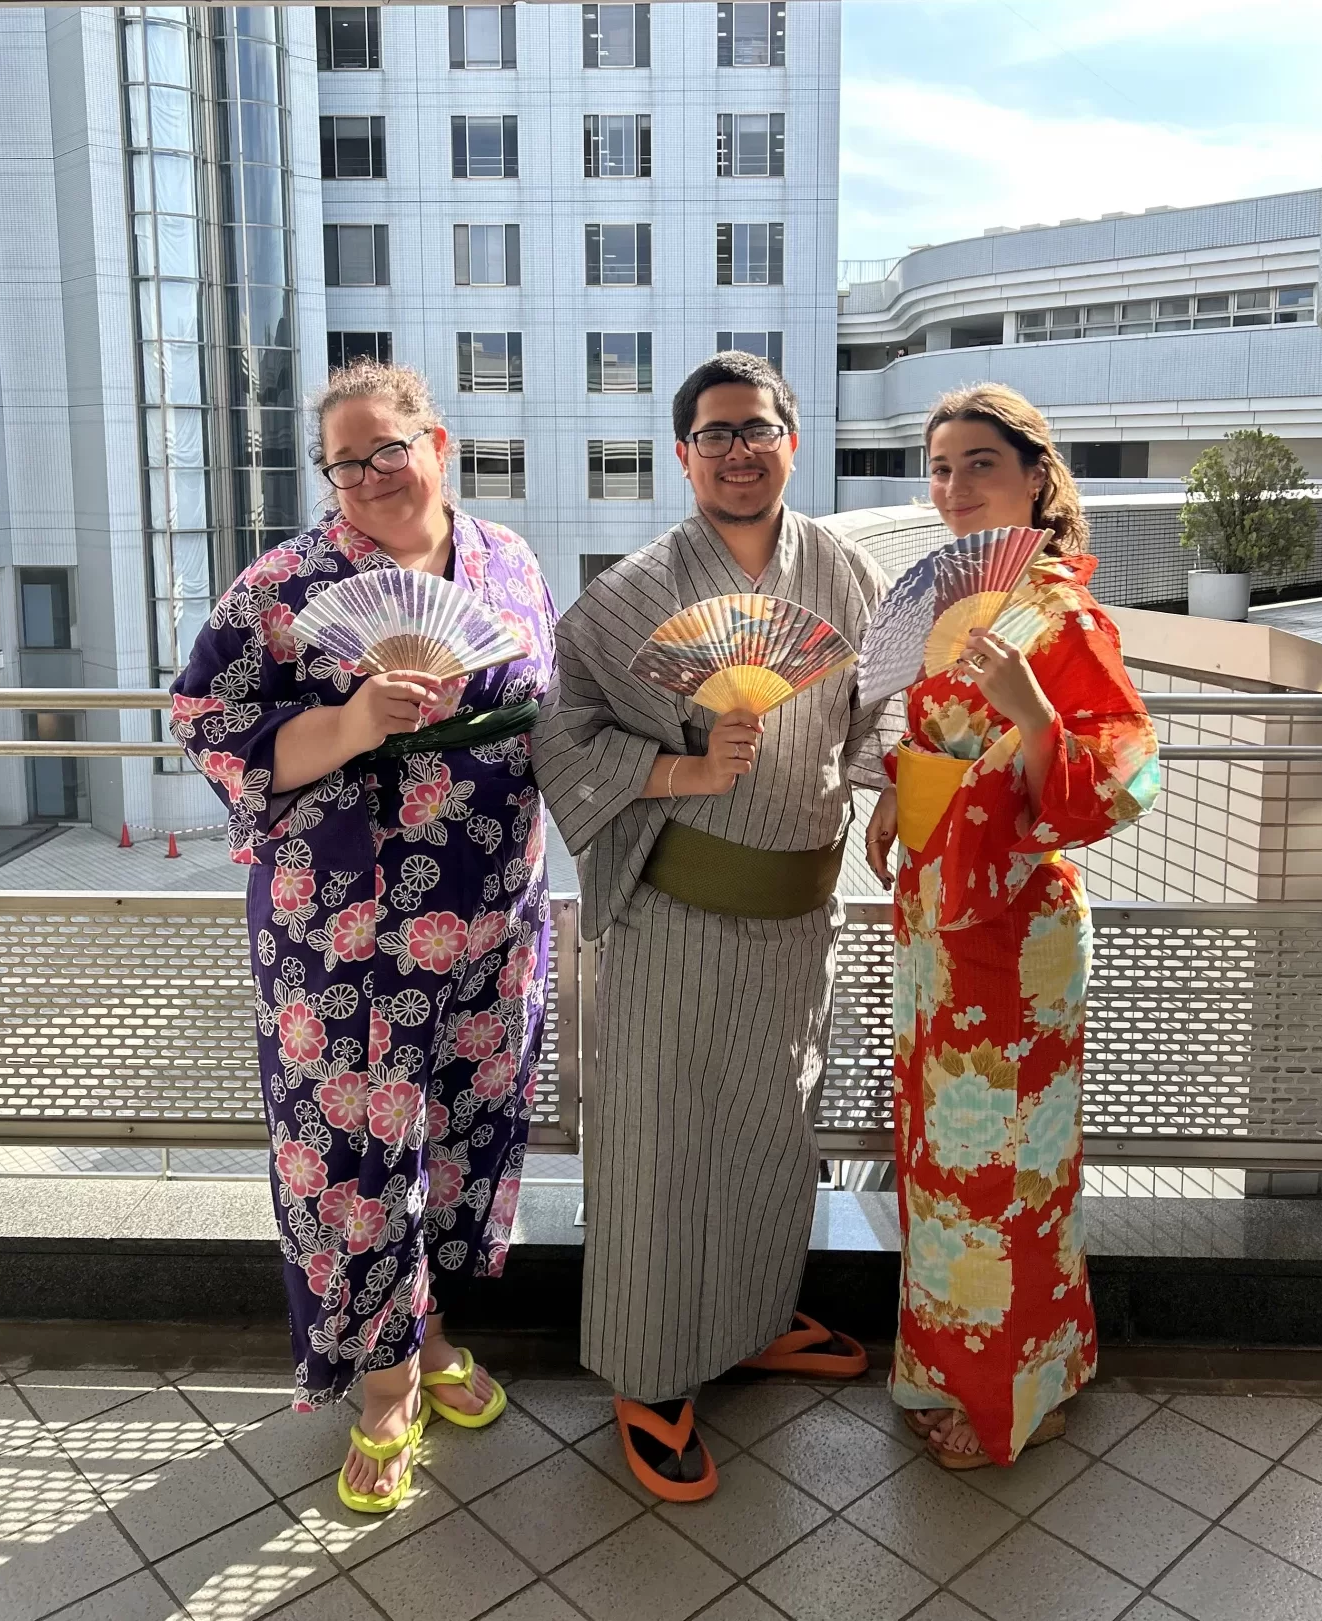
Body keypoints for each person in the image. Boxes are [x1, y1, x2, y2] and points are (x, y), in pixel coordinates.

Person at [170, 360, 555, 1513]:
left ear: (436, 440)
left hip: (491, 914)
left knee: (457, 1132)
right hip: (344, 936)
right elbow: (207, 722)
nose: (371, 477)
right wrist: (348, 721)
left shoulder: (512, 562)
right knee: (351, 1154)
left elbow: (551, 708)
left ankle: (429, 1333)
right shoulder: (283, 585)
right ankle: (384, 1380)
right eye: (346, 462)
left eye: (389, 449)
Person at [532, 352, 901, 1501]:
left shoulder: (842, 569)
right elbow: (556, 734)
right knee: (656, 1148)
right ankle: (649, 1374)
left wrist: (890, 782)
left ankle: (747, 1318)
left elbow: (879, 704)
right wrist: (672, 771)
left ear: (793, 440)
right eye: (714, 434)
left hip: (801, 914)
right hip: (676, 915)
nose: (738, 450)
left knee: (770, 1136)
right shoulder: (630, 592)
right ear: (681, 454)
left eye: (758, 428)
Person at [864, 382, 1160, 1471]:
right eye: (939, 467)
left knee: (1010, 1167)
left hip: (1020, 933)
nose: (952, 487)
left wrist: (1036, 712)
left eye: (979, 463)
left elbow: (1120, 780)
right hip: (940, 923)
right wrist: (903, 787)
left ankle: (1007, 1398)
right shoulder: (956, 604)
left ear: (1035, 475)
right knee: (945, 1164)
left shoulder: (1061, 616)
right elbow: (931, 732)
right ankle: (973, 1361)